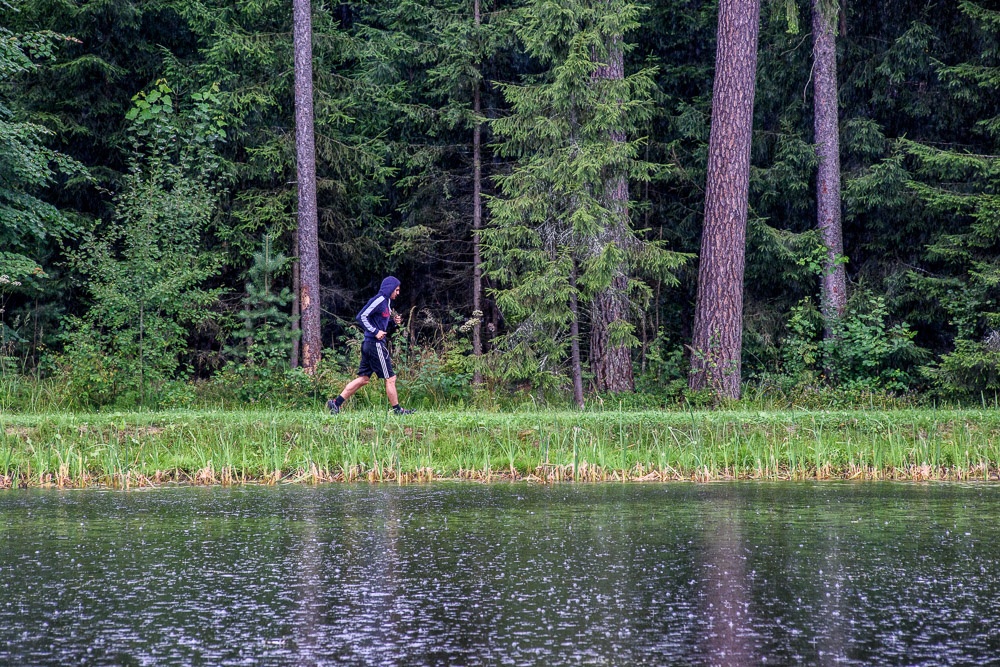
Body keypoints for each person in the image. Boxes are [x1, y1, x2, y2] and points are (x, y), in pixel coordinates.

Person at [327, 276, 414, 415]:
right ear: (390, 288)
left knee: (364, 379)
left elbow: (382, 327)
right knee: (391, 378)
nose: (398, 293)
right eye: (396, 290)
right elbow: (361, 316)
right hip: (374, 345)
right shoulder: (379, 300)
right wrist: (375, 331)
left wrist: (394, 323)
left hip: (369, 344)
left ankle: (336, 403)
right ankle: (398, 411)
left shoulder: (387, 303)